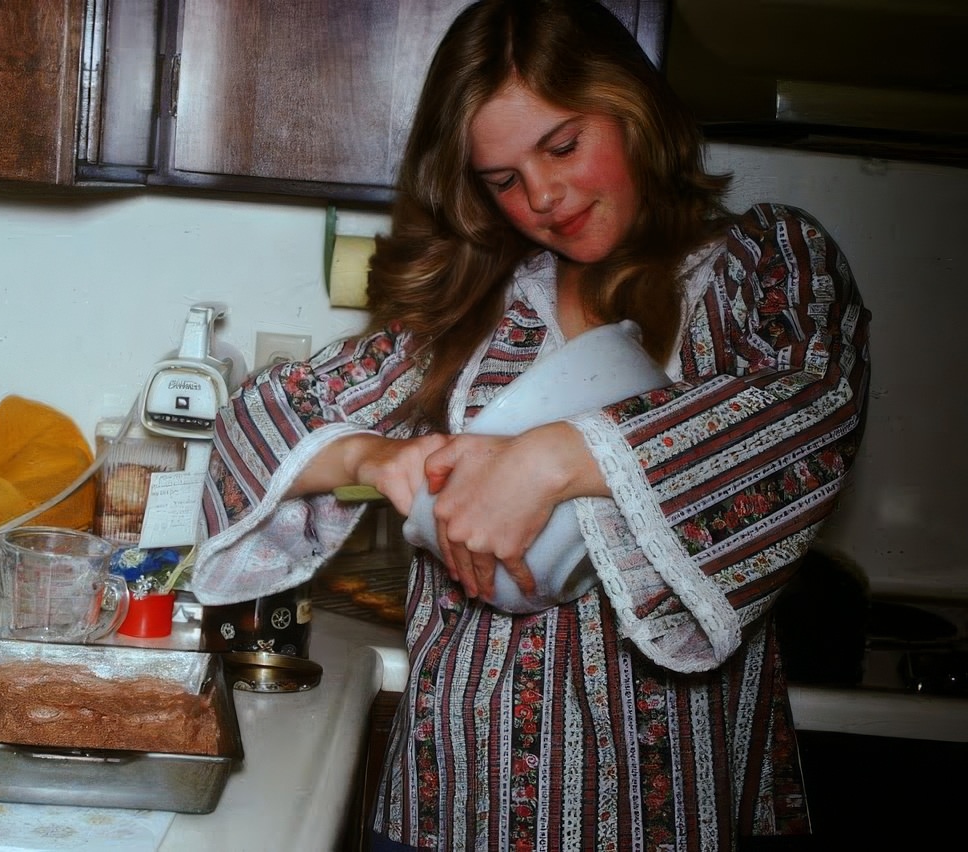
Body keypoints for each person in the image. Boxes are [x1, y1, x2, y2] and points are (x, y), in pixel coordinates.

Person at [190, 0, 871, 848]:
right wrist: (376, 454)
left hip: (656, 802)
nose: (543, 196)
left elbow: (811, 411)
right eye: (502, 179)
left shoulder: (758, 270)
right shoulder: (489, 308)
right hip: (450, 792)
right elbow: (257, 421)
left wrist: (559, 456)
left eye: (563, 145)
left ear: (635, 110)